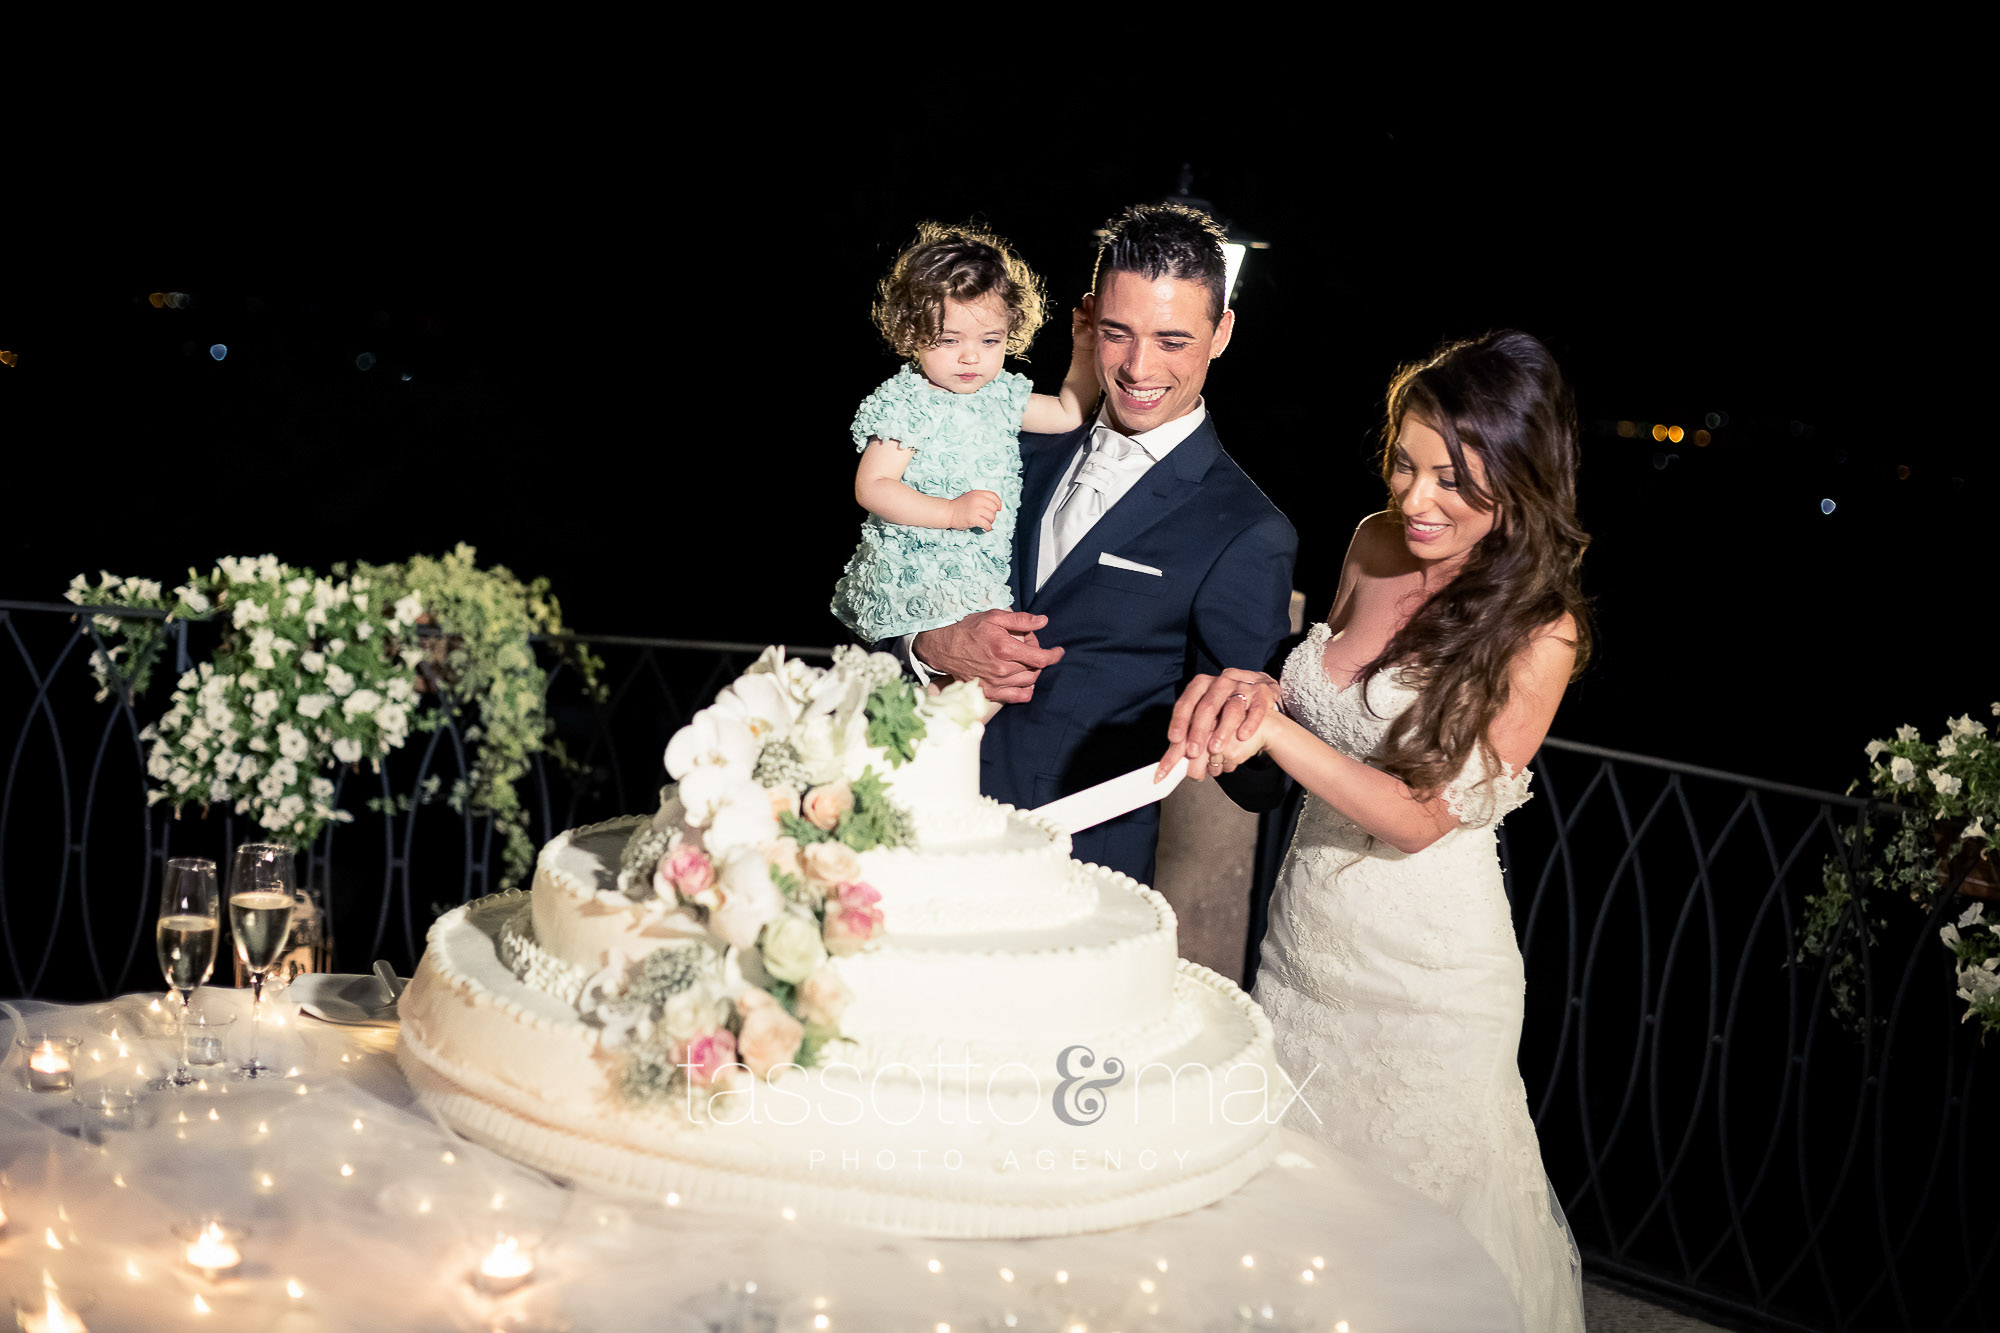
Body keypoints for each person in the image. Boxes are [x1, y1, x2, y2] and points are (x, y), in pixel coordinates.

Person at [1165, 330, 1590, 1331]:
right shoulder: (1370, 540)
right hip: (1305, 939)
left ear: (1519, 482)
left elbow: (1417, 816)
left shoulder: (1540, 633)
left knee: (1406, 1258)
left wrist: (1273, 732)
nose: (1416, 498)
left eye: (1452, 479)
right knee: (1281, 1215)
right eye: (1404, 464)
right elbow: (1325, 706)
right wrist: (1256, 695)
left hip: (1428, 984)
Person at [907, 202, 1297, 885]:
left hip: (1074, 875)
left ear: (1222, 332)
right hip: (908, 826)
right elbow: (879, 595)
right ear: (1087, 319)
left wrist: (1256, 721)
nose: (1140, 367)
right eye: (1118, 333)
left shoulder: (1246, 530)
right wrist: (929, 644)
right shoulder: (1003, 442)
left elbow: (1258, 782)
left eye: (1173, 340)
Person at [832, 221, 1098, 646]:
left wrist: (1085, 349)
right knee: (949, 674)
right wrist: (950, 513)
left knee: (990, 672)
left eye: (990, 341)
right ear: (911, 332)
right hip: (917, 572)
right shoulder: (908, 401)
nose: (970, 356)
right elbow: (873, 486)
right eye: (948, 340)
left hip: (978, 574)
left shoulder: (1000, 395)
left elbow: (1069, 413)